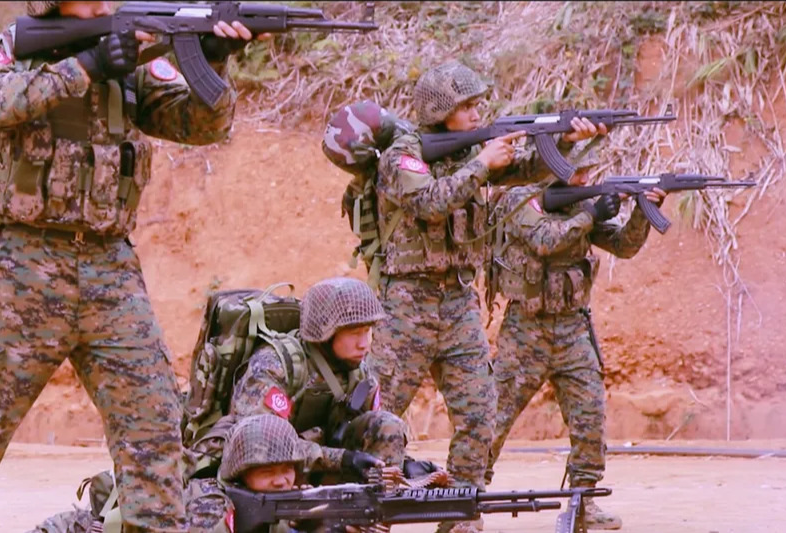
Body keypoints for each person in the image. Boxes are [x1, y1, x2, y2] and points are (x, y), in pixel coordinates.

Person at [0, 2, 266, 531]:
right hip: (22, 265)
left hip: (110, 269)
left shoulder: (130, 63)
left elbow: (199, 126)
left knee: (154, 431)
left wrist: (213, 60)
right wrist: (87, 66)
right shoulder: (15, 48)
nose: (102, 5)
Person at [365, 60, 604, 533]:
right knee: (382, 416)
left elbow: (527, 170)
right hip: (407, 303)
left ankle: (461, 516)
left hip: (458, 302)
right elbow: (429, 203)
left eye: (478, 104)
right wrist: (481, 165)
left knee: (479, 414)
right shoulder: (402, 155)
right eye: (467, 105)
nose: (477, 113)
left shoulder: (472, 151)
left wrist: (564, 143)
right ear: (440, 111)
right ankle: (371, 510)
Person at [485, 163, 667, 530]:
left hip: (572, 328)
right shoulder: (521, 199)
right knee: (492, 418)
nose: (585, 179)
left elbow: (623, 246)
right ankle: (466, 496)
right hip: (526, 331)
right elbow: (545, 240)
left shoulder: (581, 207)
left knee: (590, 417)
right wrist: (592, 213)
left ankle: (584, 502)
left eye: (588, 172)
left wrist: (643, 211)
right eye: (578, 172)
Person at [29, 413, 376, 533]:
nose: (282, 480)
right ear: (239, 475)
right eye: (268, 471)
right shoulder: (211, 505)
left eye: (288, 469)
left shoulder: (271, 506)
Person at [229, 277, 407, 474]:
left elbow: (374, 434)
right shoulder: (276, 365)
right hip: (275, 473)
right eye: (354, 333)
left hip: (325, 466)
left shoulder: (358, 373)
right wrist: (341, 459)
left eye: (367, 331)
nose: (364, 344)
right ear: (325, 333)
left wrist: (404, 464)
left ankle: (386, 488)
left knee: (389, 425)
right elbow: (260, 445)